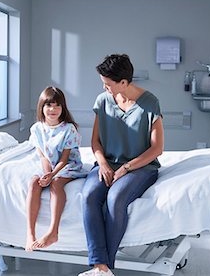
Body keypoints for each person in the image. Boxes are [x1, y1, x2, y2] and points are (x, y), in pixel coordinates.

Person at [79, 54, 164, 276]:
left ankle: (104, 265)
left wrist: (126, 168)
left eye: (108, 84)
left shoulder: (150, 103)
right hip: (108, 163)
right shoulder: (103, 101)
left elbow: (157, 149)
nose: (104, 87)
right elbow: (95, 141)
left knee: (115, 198)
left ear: (124, 82)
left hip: (141, 167)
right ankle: (101, 267)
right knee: (88, 195)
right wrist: (103, 164)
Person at [26, 86, 85, 251]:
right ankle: (30, 234)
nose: (53, 109)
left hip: (67, 166)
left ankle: (53, 231)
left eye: (57, 105)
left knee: (56, 184)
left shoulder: (68, 129)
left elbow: (65, 160)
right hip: (49, 167)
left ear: (63, 108)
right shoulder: (37, 129)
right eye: (49, 105)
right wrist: (46, 174)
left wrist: (52, 175)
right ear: (42, 107)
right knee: (33, 183)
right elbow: (43, 156)